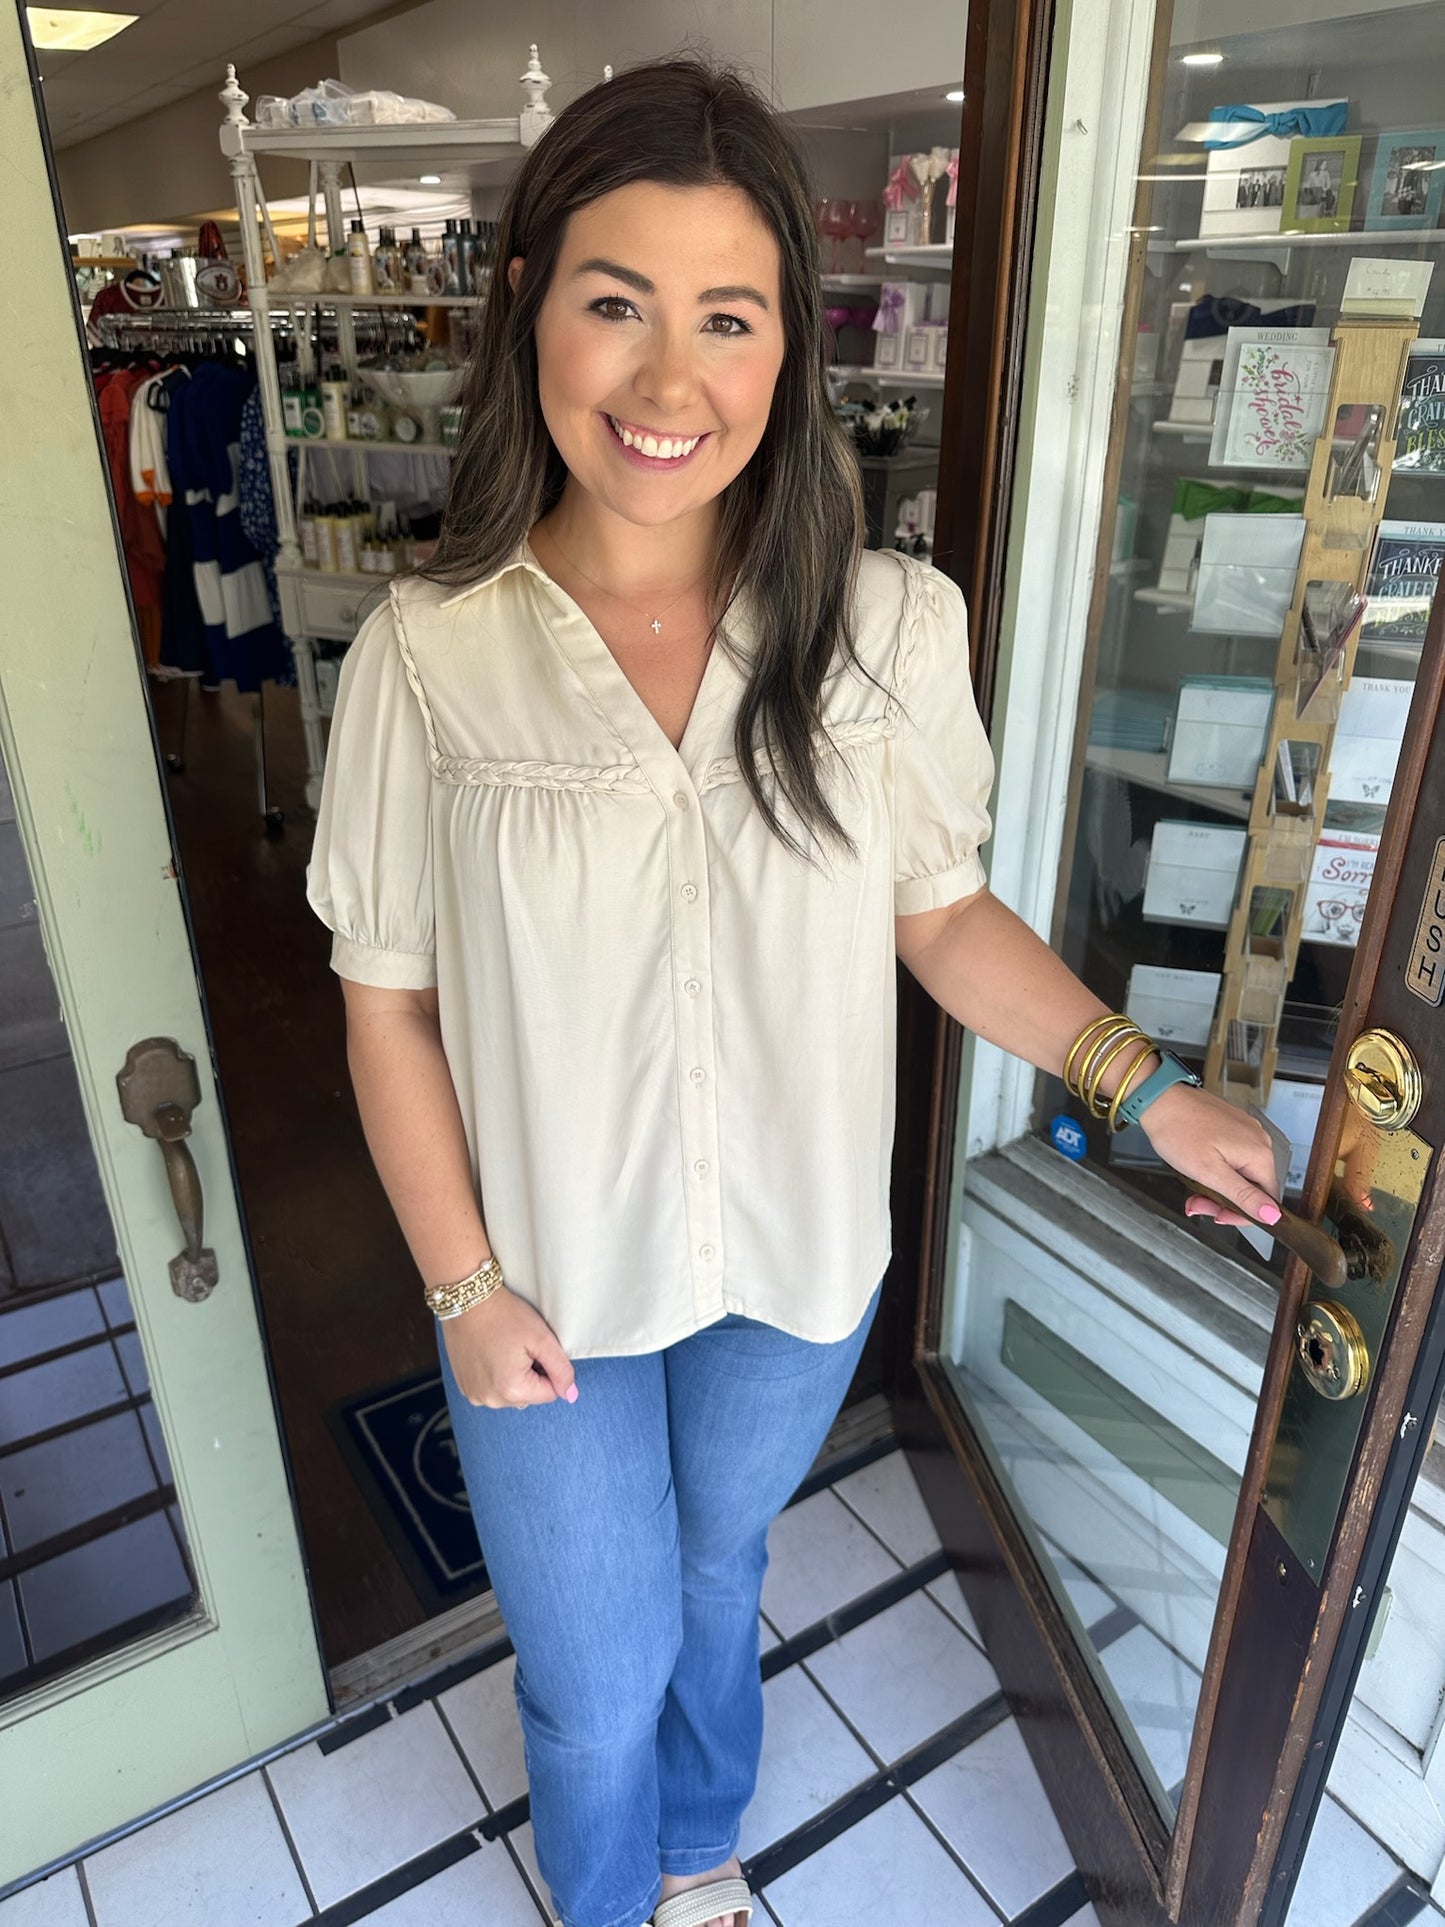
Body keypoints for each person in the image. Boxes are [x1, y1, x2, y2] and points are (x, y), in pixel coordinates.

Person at [306, 57, 1280, 1927]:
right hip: (548, 1284)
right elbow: (387, 1008)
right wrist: (464, 1285)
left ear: (786, 351)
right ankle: (612, 1896)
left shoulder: (893, 625)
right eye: (616, 306)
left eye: (726, 320)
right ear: (529, 311)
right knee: (587, 1677)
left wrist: (1141, 1086)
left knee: (711, 1569)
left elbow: (940, 914)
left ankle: (699, 1859)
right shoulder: (430, 655)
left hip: (797, 1260)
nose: (669, 387)